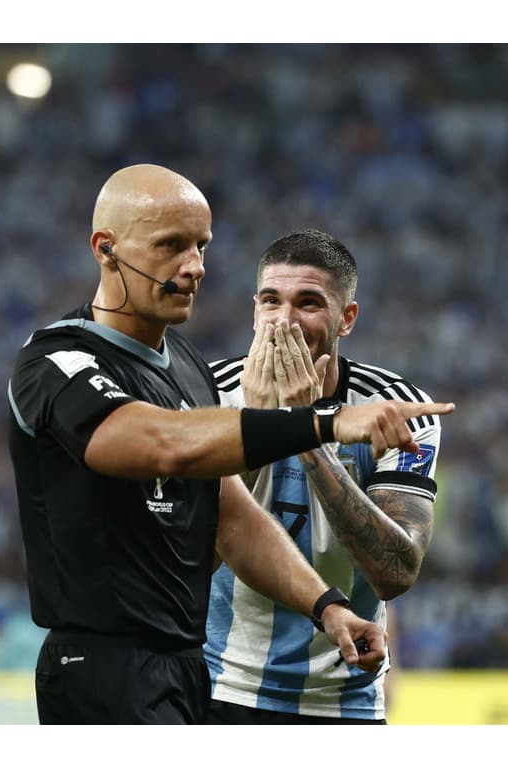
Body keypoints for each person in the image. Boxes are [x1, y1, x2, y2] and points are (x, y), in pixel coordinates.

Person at [7, 164, 454, 724]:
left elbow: (229, 518)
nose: (194, 267)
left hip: (201, 671)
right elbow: (162, 445)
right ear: (106, 249)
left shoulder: (190, 371)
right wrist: (318, 423)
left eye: (200, 247)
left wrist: (328, 607)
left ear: (347, 318)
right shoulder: (59, 358)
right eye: (171, 245)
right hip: (112, 664)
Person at [205, 229, 441, 724]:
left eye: (308, 302)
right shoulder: (206, 395)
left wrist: (303, 428)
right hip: (219, 687)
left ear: (346, 318)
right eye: (272, 300)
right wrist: (256, 430)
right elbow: (183, 559)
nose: (285, 320)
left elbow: (395, 572)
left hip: (345, 700)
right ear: (254, 309)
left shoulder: (397, 411)